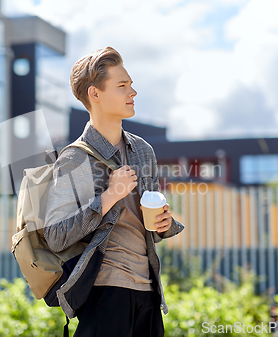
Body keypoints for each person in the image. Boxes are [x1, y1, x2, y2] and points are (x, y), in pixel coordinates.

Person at [43, 46, 185, 337]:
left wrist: (164, 224)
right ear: (95, 93)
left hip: (148, 291)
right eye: (122, 86)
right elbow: (55, 236)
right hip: (105, 294)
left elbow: (147, 222)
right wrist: (108, 196)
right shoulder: (75, 159)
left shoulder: (143, 150)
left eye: (131, 84)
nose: (132, 92)